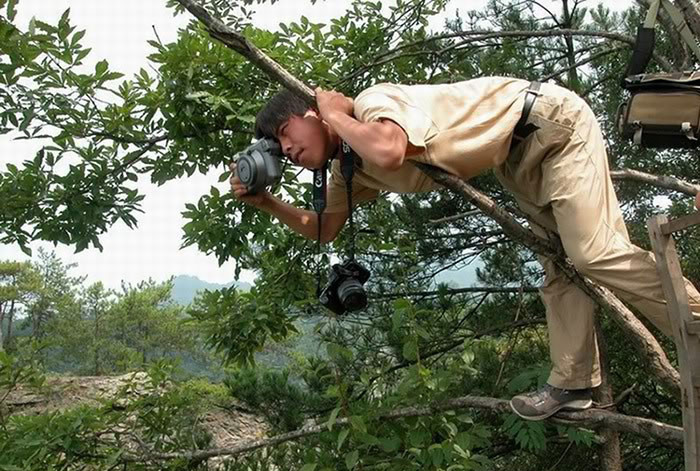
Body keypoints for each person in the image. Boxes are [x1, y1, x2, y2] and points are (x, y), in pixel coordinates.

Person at [230, 77, 700, 421]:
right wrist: (268, 202)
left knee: (591, 253)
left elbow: (391, 149)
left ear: (310, 112)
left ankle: (695, 320)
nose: (284, 148)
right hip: (515, 160)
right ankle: (574, 382)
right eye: (276, 145)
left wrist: (333, 110)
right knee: (559, 266)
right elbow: (325, 229)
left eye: (285, 132)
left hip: (550, 125)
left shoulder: (373, 105)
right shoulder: (348, 167)